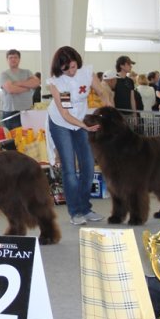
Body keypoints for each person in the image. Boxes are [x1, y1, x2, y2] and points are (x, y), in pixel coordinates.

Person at [46, 46, 111, 226]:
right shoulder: (57, 83)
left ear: (78, 62)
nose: (71, 72)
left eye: (73, 66)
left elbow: (102, 92)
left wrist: (107, 106)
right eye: (66, 69)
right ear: (59, 68)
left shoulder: (87, 73)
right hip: (61, 123)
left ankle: (85, 208)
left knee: (88, 166)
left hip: (81, 120)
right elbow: (65, 114)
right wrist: (85, 126)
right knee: (69, 168)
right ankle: (75, 211)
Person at [0, 49, 40, 130]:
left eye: (15, 57)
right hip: (11, 113)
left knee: (28, 136)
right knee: (13, 137)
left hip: (27, 111)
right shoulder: (4, 74)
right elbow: (10, 89)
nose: (13, 59)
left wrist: (18, 83)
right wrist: (28, 87)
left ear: (19, 59)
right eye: (10, 57)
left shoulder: (27, 72)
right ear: (7, 60)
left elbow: (36, 83)